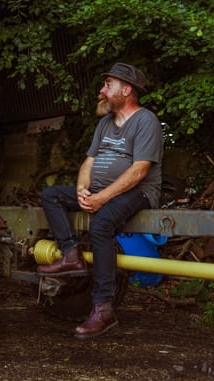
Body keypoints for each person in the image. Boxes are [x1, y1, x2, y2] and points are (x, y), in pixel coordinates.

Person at [37, 63, 163, 338]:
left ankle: (103, 308)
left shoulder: (145, 121)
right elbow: (89, 161)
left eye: (108, 84)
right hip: (101, 190)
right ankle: (71, 254)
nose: (102, 90)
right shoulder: (105, 124)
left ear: (127, 90)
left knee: (102, 224)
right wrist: (83, 190)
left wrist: (102, 198)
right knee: (51, 195)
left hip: (138, 192)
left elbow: (139, 171)